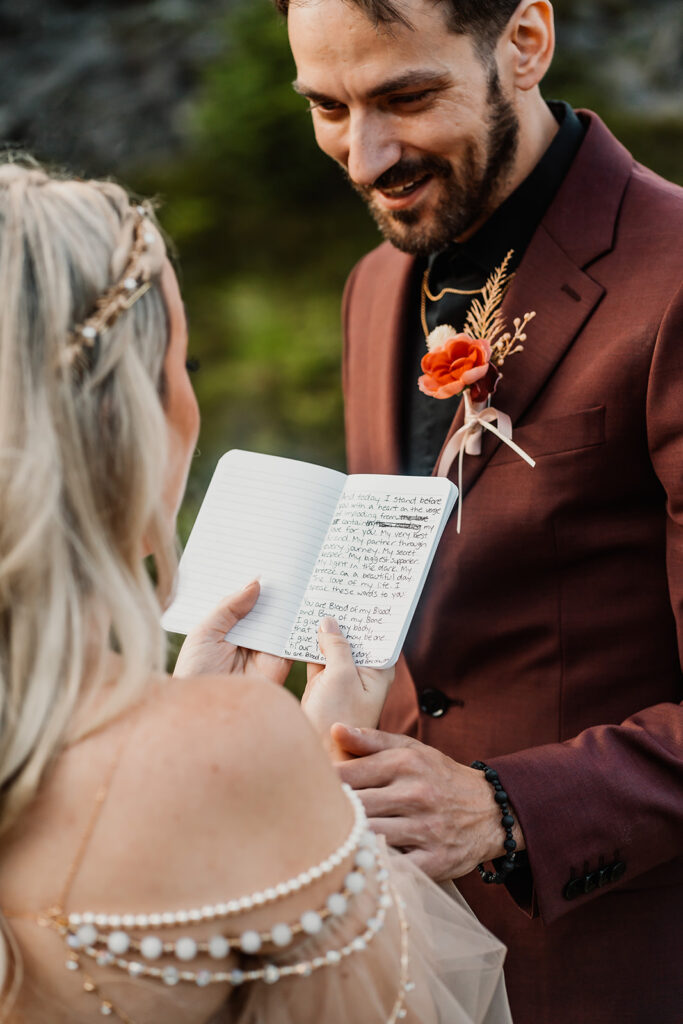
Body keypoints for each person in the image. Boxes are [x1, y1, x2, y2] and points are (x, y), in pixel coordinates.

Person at [0, 158, 513, 1024]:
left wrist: (186, 714)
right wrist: (313, 774)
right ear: (132, 413)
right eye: (179, 360)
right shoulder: (245, 749)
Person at [274, 0, 683, 1021]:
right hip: (396, 957)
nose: (364, 157)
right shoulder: (375, 286)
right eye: (325, 107)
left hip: (618, 965)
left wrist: (502, 809)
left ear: (524, 42)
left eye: (404, 98)